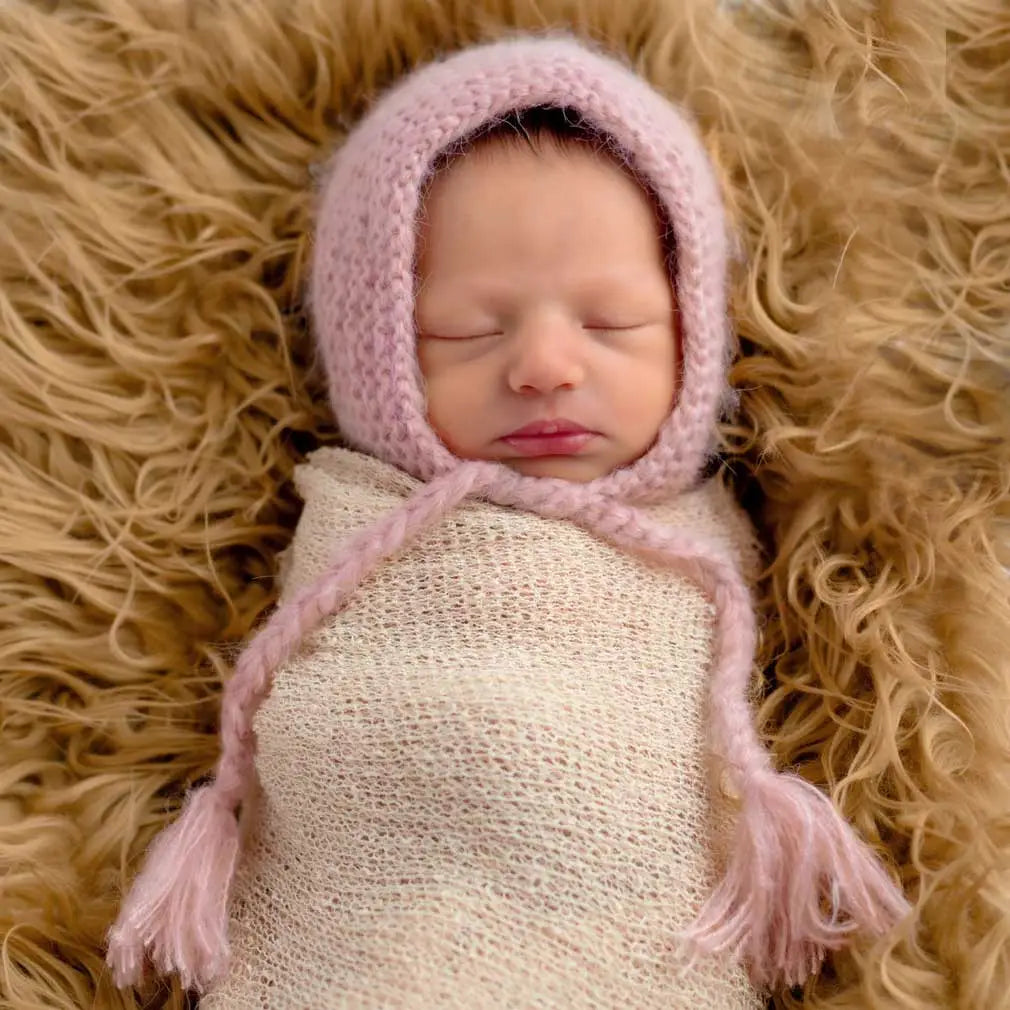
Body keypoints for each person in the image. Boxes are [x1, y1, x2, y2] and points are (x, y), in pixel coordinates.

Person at [105, 32, 908, 1007]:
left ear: (693, 333)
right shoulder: (356, 520)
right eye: (467, 331)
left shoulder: (707, 542)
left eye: (608, 323)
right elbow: (321, 737)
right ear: (377, 353)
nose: (543, 367)